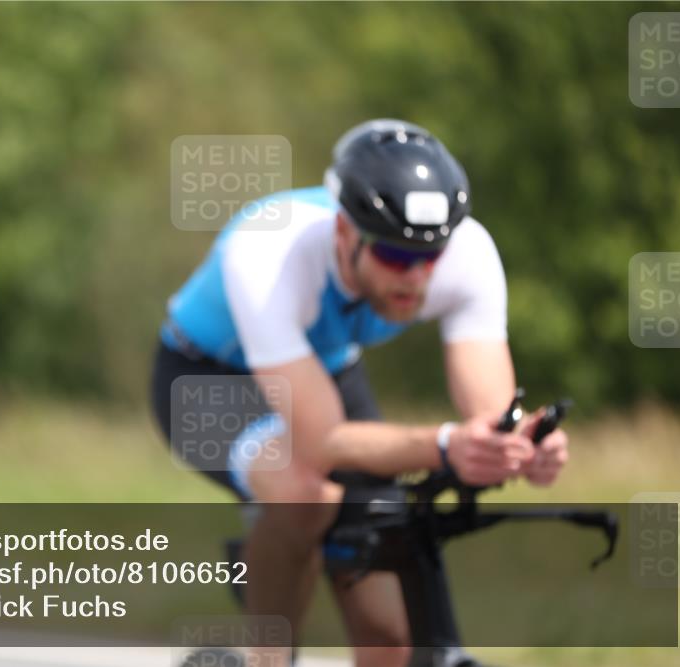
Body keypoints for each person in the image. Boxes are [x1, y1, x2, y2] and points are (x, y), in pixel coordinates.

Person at [150, 119, 569, 667]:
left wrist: (520, 445)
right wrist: (446, 444)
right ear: (345, 234)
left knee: (391, 640)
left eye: (430, 257)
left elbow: (491, 411)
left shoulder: (467, 252)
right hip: (205, 378)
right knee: (303, 491)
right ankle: (267, 658)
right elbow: (323, 443)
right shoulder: (270, 250)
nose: (416, 276)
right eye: (395, 257)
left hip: (321, 371)